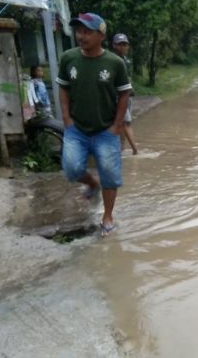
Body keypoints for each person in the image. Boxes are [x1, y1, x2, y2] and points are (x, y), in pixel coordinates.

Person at [56, 13, 132, 236]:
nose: (81, 36)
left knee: (110, 173)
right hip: (76, 128)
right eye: (79, 31)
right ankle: (92, 183)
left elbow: (124, 94)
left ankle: (107, 216)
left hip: (106, 130)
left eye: (87, 31)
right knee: (71, 168)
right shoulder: (68, 58)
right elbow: (63, 87)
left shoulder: (115, 63)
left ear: (101, 34)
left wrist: (117, 125)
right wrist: (66, 117)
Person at [112, 33, 139, 154]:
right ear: (114, 45)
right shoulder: (112, 61)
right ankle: (136, 151)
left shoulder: (126, 61)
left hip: (128, 96)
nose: (123, 47)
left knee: (124, 124)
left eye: (125, 45)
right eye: (120, 45)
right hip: (119, 97)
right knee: (126, 123)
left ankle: (121, 149)